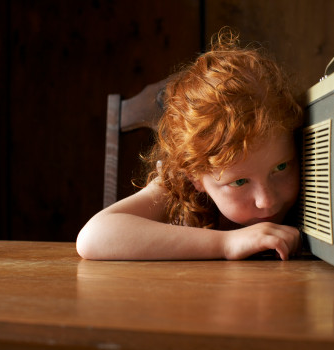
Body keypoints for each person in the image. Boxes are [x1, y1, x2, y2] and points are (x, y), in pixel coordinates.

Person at [76, 28, 304, 261]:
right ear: (195, 176)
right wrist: (226, 243)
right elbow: (93, 237)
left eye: (281, 167)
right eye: (239, 181)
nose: (267, 200)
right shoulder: (178, 187)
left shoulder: (310, 161)